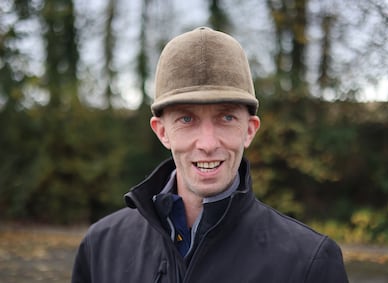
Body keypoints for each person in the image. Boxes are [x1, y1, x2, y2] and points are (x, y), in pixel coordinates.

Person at [71, 27, 349, 283]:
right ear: (162, 131)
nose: (207, 143)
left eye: (226, 117)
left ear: (249, 130)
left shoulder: (309, 261)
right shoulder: (101, 246)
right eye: (186, 119)